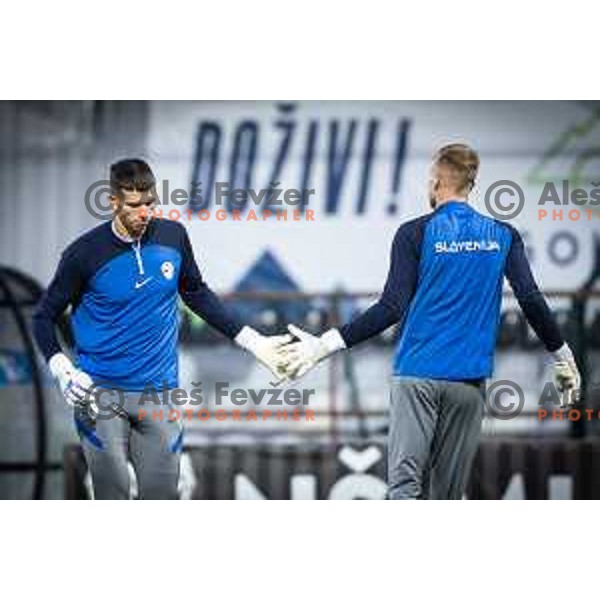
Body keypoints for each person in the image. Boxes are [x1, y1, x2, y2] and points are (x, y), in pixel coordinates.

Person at [280, 143, 581, 500]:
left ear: (437, 182)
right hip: (468, 384)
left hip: (417, 376)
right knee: (447, 498)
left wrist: (324, 344)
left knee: (405, 490)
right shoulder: (503, 234)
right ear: (471, 184)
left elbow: (390, 308)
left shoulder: (414, 233)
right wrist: (563, 355)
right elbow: (531, 299)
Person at [33, 158, 289, 499]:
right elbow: (42, 317)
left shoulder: (173, 236)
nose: (144, 214)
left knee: (162, 500)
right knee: (113, 498)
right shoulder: (83, 255)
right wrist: (63, 369)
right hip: (100, 395)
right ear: (113, 202)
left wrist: (254, 341)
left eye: (150, 203)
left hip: (160, 394)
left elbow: (198, 295)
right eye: (134, 206)